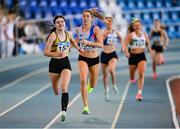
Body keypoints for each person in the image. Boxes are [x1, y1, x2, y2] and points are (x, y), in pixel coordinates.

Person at [43, 15, 83, 121]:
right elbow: (45, 52)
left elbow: (73, 42)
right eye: (58, 22)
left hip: (65, 63)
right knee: (56, 91)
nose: (61, 24)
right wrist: (57, 54)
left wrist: (79, 48)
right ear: (55, 25)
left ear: (65, 23)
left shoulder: (68, 34)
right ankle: (56, 90)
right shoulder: (53, 36)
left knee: (64, 87)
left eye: (62, 22)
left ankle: (64, 111)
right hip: (54, 65)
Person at [74, 9, 103, 114]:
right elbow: (76, 43)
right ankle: (85, 106)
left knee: (93, 83)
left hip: (94, 59)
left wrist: (89, 43)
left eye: (87, 16)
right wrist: (75, 47)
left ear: (91, 18)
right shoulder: (78, 30)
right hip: (83, 58)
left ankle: (91, 86)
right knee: (83, 80)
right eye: (84, 16)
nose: (85, 18)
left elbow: (101, 44)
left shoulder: (96, 29)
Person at [92, 11, 124, 101]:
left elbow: (121, 38)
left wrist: (123, 47)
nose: (108, 22)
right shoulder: (103, 32)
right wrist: (104, 37)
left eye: (110, 21)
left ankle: (114, 84)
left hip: (113, 54)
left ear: (112, 22)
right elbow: (100, 42)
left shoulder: (115, 31)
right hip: (104, 55)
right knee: (105, 75)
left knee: (111, 69)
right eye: (107, 21)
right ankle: (106, 90)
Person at [124, 18, 152, 101]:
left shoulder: (144, 34)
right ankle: (132, 78)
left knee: (141, 73)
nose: (137, 27)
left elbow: (148, 43)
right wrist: (126, 52)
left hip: (141, 56)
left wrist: (149, 48)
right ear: (133, 26)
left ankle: (139, 93)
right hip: (132, 56)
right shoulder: (131, 35)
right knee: (132, 76)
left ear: (141, 26)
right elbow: (125, 45)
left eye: (138, 25)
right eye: (135, 25)